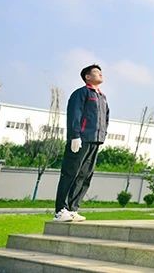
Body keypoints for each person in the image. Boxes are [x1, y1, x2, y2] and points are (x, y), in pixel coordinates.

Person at [54, 64, 110, 222]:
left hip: (95, 140)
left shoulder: (102, 97)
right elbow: (75, 114)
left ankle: (73, 208)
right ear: (87, 77)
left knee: (85, 175)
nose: (100, 74)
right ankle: (60, 210)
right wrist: (75, 135)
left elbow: (106, 117)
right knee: (70, 173)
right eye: (96, 72)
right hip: (81, 139)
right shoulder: (81, 93)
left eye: (101, 72)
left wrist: (102, 135)